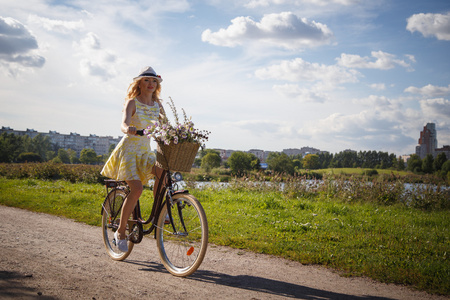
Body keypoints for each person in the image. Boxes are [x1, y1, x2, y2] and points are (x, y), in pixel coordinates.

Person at [101, 66, 166, 252]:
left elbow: (166, 125)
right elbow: (124, 122)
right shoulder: (133, 102)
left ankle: (160, 211)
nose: (151, 84)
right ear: (139, 83)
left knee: (162, 172)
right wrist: (127, 128)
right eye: (147, 80)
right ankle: (120, 232)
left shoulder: (158, 105)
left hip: (145, 151)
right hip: (129, 150)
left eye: (154, 81)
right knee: (136, 189)